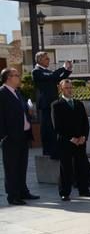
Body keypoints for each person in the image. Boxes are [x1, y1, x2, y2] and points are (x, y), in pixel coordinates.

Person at [51, 79, 90, 201]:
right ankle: (65, 192)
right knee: (66, 168)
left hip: (80, 141)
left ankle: (84, 190)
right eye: (66, 88)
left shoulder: (79, 104)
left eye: (71, 87)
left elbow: (85, 123)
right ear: (61, 89)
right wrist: (71, 138)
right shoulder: (56, 105)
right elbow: (57, 125)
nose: (69, 90)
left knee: (81, 166)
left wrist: (84, 136)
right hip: (66, 142)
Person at [0, 68, 38, 205]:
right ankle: (13, 195)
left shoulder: (17, 92)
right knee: (11, 168)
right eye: (16, 75)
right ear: (8, 77)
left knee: (22, 166)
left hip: (23, 135)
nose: (19, 77)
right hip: (11, 137)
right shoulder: (2, 93)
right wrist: (4, 135)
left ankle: (23, 191)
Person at [32, 52, 72, 159]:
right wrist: (63, 68)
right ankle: (48, 151)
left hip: (54, 103)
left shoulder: (47, 72)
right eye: (46, 59)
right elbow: (53, 75)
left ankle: (55, 150)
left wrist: (67, 71)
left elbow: (57, 79)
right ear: (39, 60)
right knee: (47, 128)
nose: (48, 60)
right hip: (46, 104)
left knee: (54, 128)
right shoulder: (36, 71)